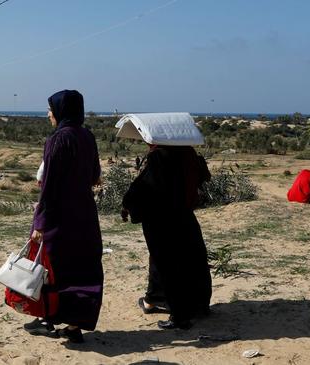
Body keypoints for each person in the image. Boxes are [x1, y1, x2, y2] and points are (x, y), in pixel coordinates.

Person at [25, 90, 103, 343]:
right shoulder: (87, 135)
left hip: (60, 215)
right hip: (85, 214)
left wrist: (40, 221)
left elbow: (50, 185)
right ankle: (73, 325)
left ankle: (48, 319)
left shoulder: (58, 139)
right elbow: (95, 176)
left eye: (50, 109)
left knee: (53, 268)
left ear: (60, 110)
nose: (48, 114)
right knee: (83, 268)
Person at [121, 145, 212, 330]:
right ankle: (192, 305)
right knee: (191, 259)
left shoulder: (159, 156)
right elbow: (203, 177)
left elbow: (145, 187)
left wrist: (127, 203)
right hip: (185, 217)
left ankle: (179, 316)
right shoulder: (188, 152)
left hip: (163, 219)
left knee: (169, 264)